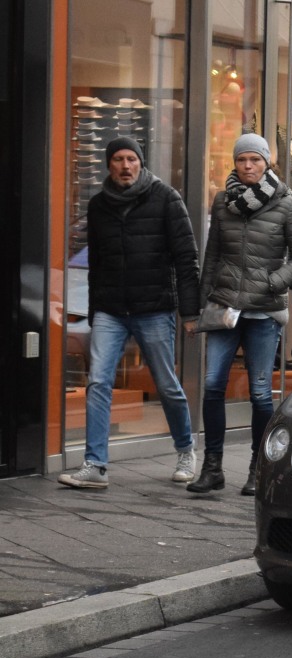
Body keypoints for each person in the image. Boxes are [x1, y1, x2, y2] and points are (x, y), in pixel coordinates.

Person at [58, 136, 201, 490]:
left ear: (141, 163)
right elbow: (97, 263)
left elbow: (186, 259)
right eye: (119, 159)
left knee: (167, 384)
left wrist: (190, 312)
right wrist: (92, 311)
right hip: (110, 308)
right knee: (98, 383)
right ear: (109, 165)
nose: (125, 166)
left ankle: (185, 450)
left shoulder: (166, 198)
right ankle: (95, 465)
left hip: (153, 307)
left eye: (131, 159)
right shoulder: (98, 206)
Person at [188, 133, 292, 496]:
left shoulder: (287, 203)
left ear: (266, 163)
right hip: (225, 308)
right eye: (242, 160)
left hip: (263, 311)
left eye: (254, 160)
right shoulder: (222, 200)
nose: (248, 166)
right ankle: (212, 468)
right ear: (235, 162)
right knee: (212, 387)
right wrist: (200, 305)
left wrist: (274, 283)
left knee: (260, 393)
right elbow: (212, 256)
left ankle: (258, 470)